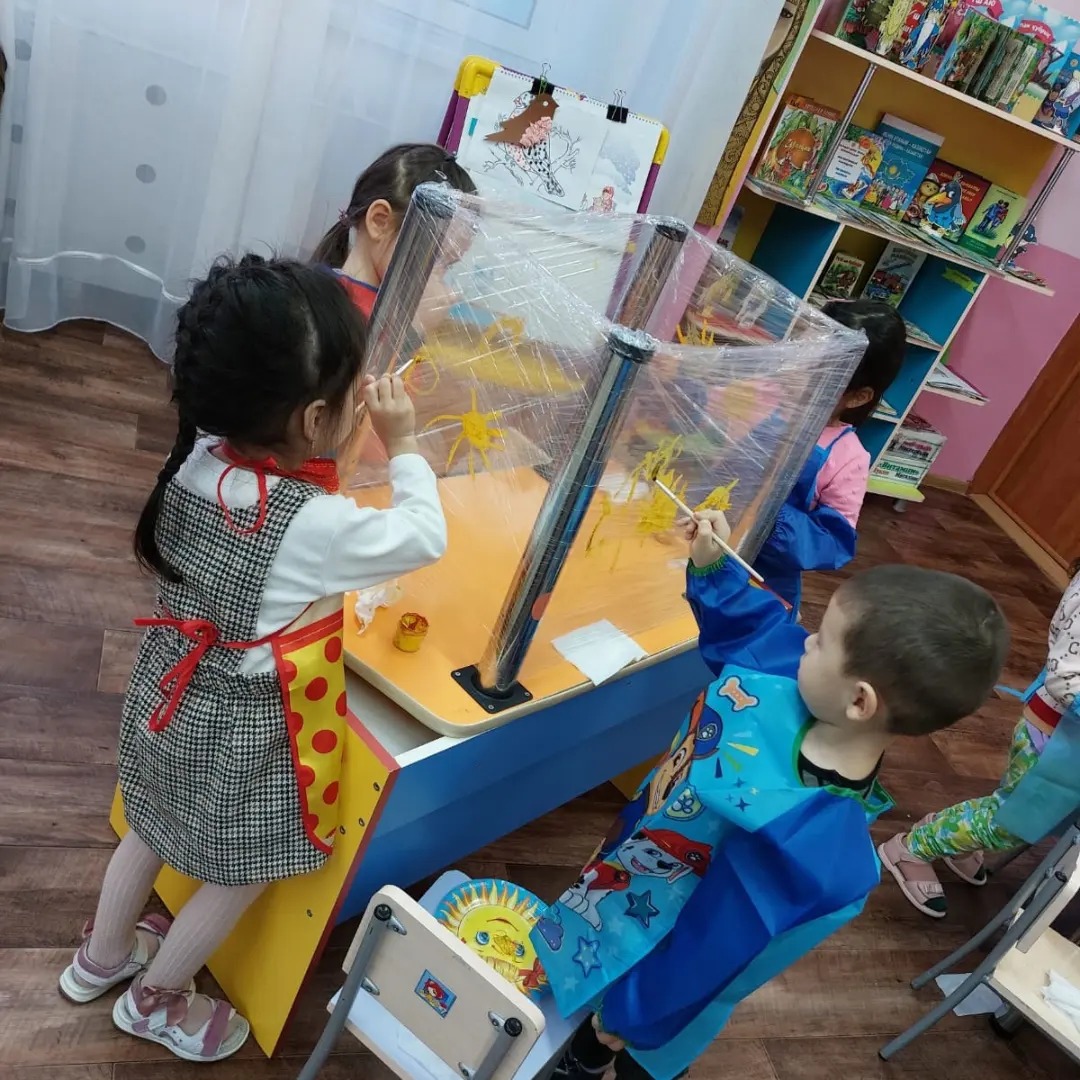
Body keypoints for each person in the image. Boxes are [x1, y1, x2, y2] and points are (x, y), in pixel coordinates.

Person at [57, 255, 446, 1061]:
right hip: (244, 732)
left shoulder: (197, 457)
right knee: (242, 870)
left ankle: (99, 960)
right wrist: (404, 441)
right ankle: (156, 999)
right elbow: (424, 537)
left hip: (168, 690)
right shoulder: (313, 525)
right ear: (315, 417)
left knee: (148, 822)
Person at [534, 512, 1007, 1080]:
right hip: (630, 875)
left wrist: (631, 1016)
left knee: (628, 1046)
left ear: (860, 701)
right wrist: (713, 567)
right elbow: (757, 629)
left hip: (665, 986)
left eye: (822, 641)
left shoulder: (808, 844)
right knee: (589, 995)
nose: (805, 640)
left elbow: (710, 953)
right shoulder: (791, 673)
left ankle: (599, 1052)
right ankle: (589, 1047)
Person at [880, 561, 1080, 918]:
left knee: (1017, 806)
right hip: (1056, 735)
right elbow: (1064, 678)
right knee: (1014, 822)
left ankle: (957, 839)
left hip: (1063, 736)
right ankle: (912, 848)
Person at [754, 299, 906, 614]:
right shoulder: (761, 399)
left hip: (762, 579)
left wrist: (767, 513)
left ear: (858, 396)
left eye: (819, 372)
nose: (798, 372)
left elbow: (831, 543)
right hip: (700, 538)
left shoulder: (847, 457)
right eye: (802, 354)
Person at [312, 142, 476, 318]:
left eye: (448, 266)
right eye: (434, 259)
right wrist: (416, 326)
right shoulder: (332, 308)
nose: (440, 281)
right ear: (379, 222)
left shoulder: (383, 306)